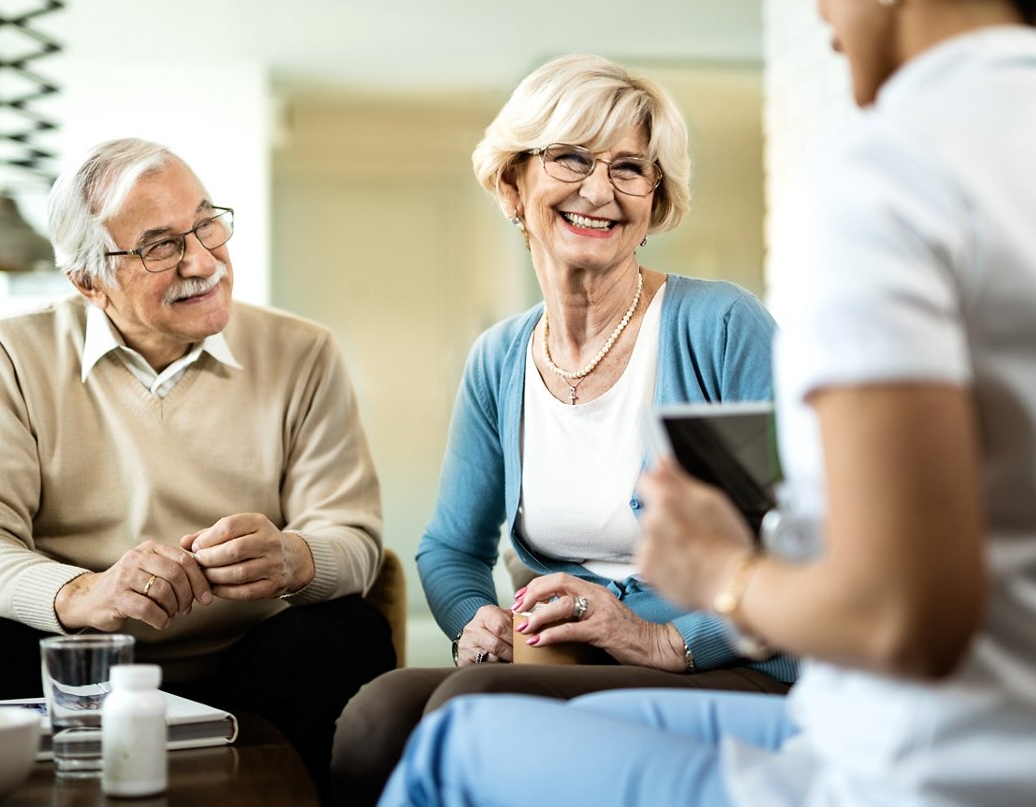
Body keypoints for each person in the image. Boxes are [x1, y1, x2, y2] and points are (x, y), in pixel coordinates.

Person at [378, 0, 1036, 804]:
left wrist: (720, 580)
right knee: (395, 717)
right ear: (516, 185)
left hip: (924, 765)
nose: (823, 12)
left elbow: (905, 614)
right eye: (572, 160)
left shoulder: (889, 174)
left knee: (456, 737)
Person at [331, 54, 792, 805]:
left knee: (470, 709)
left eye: (630, 169)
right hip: (572, 658)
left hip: (724, 661)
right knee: (377, 717)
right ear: (513, 185)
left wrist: (662, 639)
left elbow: (807, 542)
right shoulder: (501, 358)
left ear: (656, 198)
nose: (599, 191)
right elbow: (450, 547)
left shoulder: (720, 325)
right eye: (570, 158)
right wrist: (475, 620)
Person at [0, 138, 396, 801]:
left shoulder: (304, 352)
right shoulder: (8, 354)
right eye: (160, 246)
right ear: (90, 282)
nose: (204, 261)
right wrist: (82, 595)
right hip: (80, 663)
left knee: (349, 634)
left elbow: (354, 540)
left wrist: (294, 558)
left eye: (207, 224)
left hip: (252, 662)